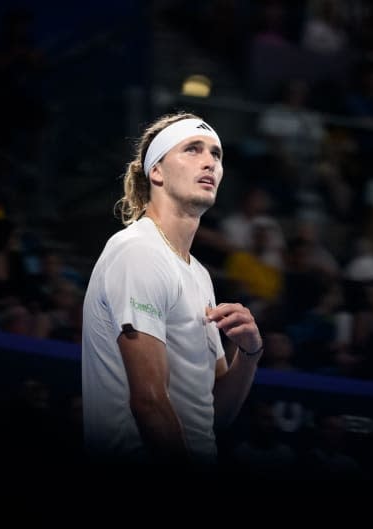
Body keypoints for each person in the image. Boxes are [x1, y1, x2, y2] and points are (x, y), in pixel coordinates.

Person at [81, 112, 264, 476]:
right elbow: (149, 402)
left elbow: (214, 413)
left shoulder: (199, 275)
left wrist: (249, 353)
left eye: (216, 153)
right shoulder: (138, 251)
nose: (209, 161)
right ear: (157, 172)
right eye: (193, 149)